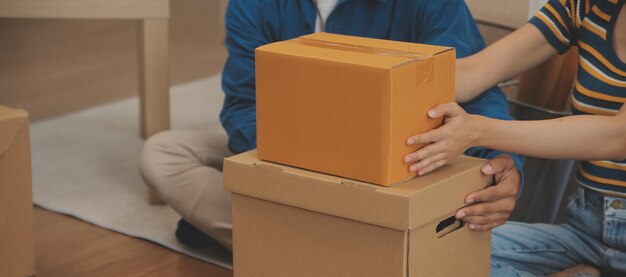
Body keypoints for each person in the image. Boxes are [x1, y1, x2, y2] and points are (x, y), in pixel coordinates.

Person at [139, 0, 524, 251]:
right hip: (294, 164)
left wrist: (498, 163)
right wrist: (311, 166)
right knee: (163, 153)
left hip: (401, 170)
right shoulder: (253, 5)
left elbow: (476, 91)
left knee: (450, 211)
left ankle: (268, 242)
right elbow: (243, 106)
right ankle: (329, 248)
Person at [404, 0, 626, 277]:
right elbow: (476, 70)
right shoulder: (584, 7)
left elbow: (617, 136)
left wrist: (478, 128)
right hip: (587, 224)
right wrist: (383, 80)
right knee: (422, 260)